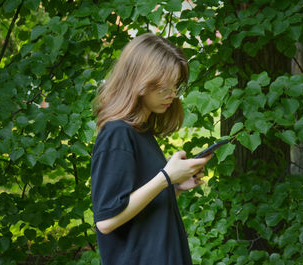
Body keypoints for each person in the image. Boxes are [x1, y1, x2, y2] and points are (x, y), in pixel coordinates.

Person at [90, 33, 212, 265]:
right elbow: (106, 221)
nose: (172, 94)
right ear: (140, 81)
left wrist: (175, 187)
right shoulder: (117, 133)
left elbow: (136, 207)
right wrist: (165, 177)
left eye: (175, 86)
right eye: (164, 87)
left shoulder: (140, 131)